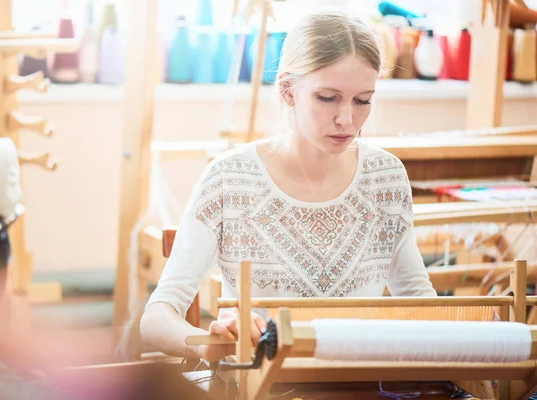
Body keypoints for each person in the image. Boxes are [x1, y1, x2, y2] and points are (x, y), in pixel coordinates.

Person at [139, 9, 436, 362]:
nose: (347, 119)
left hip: (359, 381)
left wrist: (476, 333)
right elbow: (156, 319)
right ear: (288, 91)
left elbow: (419, 299)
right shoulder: (230, 180)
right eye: (327, 98)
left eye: (363, 100)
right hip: (263, 385)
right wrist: (207, 342)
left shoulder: (385, 177)